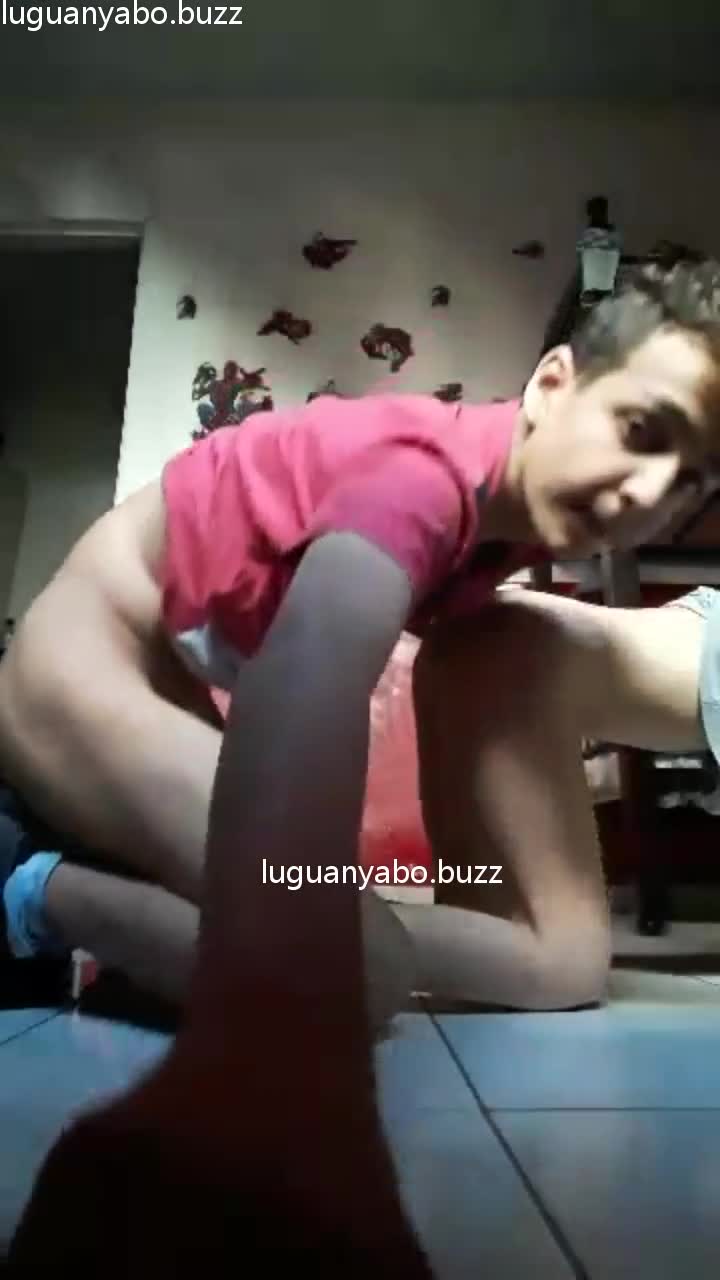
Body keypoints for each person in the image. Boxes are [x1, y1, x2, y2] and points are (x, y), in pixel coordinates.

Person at [5, 260, 720, 1268]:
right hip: (82, 660)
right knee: (360, 958)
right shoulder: (422, 477)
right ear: (553, 382)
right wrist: (294, 1070)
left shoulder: (501, 519)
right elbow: (311, 671)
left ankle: (113, 903)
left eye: (691, 479)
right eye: (642, 430)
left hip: (162, 672)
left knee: (547, 964)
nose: (651, 492)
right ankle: (32, 890)